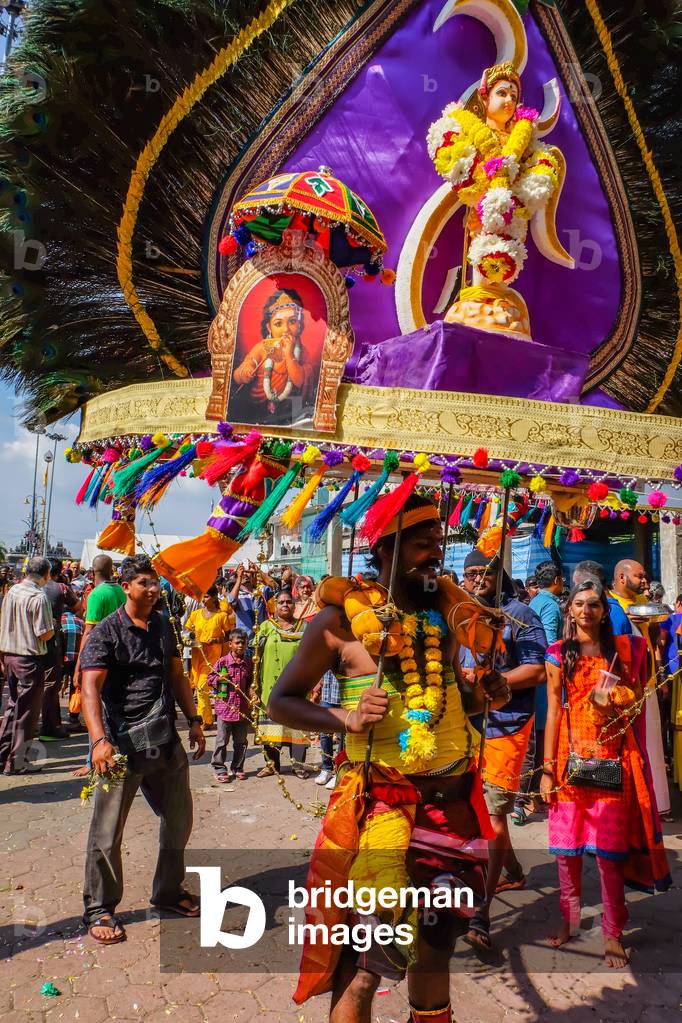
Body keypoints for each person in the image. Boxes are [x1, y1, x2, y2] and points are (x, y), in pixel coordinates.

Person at [267, 495, 509, 1023]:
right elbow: (281, 701)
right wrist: (346, 719)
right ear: (384, 551)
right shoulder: (337, 621)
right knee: (368, 963)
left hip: (451, 805)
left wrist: (484, 693)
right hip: (382, 808)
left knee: (437, 942)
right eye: (423, 546)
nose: (434, 558)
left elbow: (455, 703)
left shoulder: (441, 618)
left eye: (438, 546)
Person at [541, 579, 670, 968]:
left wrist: (613, 700)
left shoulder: (624, 653)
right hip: (568, 762)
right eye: (579, 604)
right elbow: (553, 713)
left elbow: (636, 711)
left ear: (603, 611)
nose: (585, 611)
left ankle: (613, 933)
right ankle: (570, 921)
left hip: (612, 763)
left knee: (608, 858)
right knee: (568, 855)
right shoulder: (557, 654)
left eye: (594, 604)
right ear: (569, 611)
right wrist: (547, 770)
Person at [80, 554, 206, 945]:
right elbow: (90, 689)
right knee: (107, 831)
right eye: (144, 584)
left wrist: (195, 719)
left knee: (179, 820)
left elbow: (177, 675)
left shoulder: (163, 625)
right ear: (127, 587)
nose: (153, 590)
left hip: (165, 740)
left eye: (155, 584)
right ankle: (100, 908)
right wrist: (99, 741)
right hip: (120, 746)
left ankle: (167, 891)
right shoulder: (105, 632)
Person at [459, 548, 547, 950]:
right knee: (479, 810)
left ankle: (481, 912)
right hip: (465, 725)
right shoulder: (459, 613)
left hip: (507, 725)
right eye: (470, 572)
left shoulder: (519, 614)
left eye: (484, 572)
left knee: (492, 815)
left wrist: (491, 681)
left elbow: (536, 669)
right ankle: (511, 868)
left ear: (498, 574)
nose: (477, 579)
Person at [511, 559, 564, 825]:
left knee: (532, 738)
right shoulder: (551, 606)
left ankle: (528, 798)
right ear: (557, 580)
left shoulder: (533, 603)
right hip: (544, 681)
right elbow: (552, 648)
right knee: (541, 739)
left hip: (531, 677)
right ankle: (531, 798)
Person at [0, 557, 54, 774]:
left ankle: (3, 755)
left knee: (13, 708)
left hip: (10, 656)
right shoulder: (38, 597)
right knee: (27, 714)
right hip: (29, 660)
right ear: (46, 575)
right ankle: (17, 763)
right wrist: (53, 628)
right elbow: (44, 632)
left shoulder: (12, 591)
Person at [231, 288, 314, 425]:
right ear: (269, 327)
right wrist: (245, 372)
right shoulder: (262, 348)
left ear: (299, 325)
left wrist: (288, 354)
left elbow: (299, 381)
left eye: (292, 321)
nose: (286, 329)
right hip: (255, 412)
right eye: (278, 323)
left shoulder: (301, 352)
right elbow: (237, 374)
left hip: (291, 414)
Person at [255, 588, 309, 778]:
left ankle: (299, 766)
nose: (285, 605)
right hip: (269, 684)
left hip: (297, 687)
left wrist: (315, 684)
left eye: (288, 602)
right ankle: (271, 765)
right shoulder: (265, 627)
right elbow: (256, 658)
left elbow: (313, 657)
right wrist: (253, 687)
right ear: (275, 606)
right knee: (270, 727)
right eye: (281, 602)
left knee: (298, 725)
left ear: (294, 605)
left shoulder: (304, 628)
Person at [41, 558, 82, 738]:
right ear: (58, 573)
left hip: (29, 644)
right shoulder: (63, 589)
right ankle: (53, 725)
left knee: (34, 685)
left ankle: (33, 724)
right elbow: (79, 609)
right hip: (53, 640)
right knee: (52, 684)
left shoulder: (24, 588)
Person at [184, 586, 234, 727]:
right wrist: (191, 640)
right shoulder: (195, 614)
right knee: (200, 687)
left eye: (205, 596)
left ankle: (205, 720)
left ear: (213, 598)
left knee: (201, 686)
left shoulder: (221, 616)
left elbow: (229, 636)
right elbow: (187, 632)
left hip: (214, 658)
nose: (203, 599)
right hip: (197, 655)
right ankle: (207, 718)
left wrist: (216, 640)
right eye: (202, 597)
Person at [207, 628, 253, 782]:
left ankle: (238, 767)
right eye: (237, 642)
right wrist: (219, 679)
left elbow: (250, 683)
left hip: (241, 710)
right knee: (222, 741)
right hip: (225, 709)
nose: (241, 645)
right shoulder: (223, 662)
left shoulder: (248, 663)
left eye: (243, 643)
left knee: (241, 742)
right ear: (230, 644)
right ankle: (219, 768)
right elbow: (209, 679)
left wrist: (252, 694)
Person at [313, 667, 343, 789]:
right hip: (327, 694)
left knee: (343, 735)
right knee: (325, 733)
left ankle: (340, 771)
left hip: (343, 696)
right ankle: (326, 768)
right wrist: (318, 687)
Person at [227, 563, 271, 641]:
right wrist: (239, 578)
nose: (245, 574)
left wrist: (258, 571)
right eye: (242, 572)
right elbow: (231, 601)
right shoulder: (238, 595)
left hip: (262, 638)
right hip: (245, 641)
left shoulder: (261, 591)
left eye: (247, 572)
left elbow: (275, 587)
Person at [62, 607, 85, 729]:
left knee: (52, 688)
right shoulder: (81, 622)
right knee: (75, 686)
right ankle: (73, 718)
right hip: (76, 659)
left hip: (61, 657)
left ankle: (53, 720)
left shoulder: (59, 620)